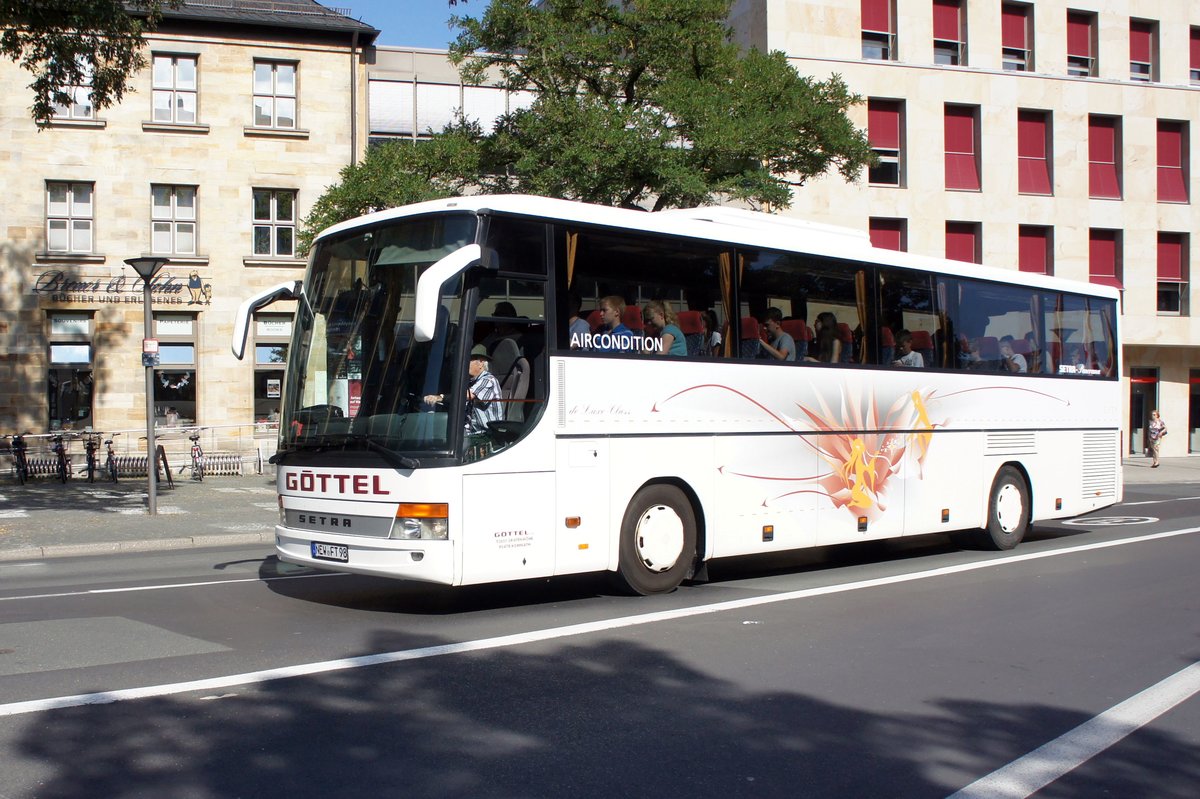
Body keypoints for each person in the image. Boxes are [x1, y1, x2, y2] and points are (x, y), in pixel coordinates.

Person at [423, 345, 503, 435]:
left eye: (469, 360)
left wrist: (441, 397)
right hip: (471, 432)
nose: (465, 363)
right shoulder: (470, 382)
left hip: (488, 434)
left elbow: (467, 396)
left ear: (481, 362)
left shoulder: (488, 380)